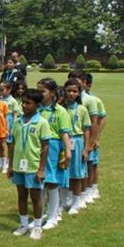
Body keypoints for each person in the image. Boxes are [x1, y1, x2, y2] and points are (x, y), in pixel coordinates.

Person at [7, 88, 50, 240]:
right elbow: (12, 143)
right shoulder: (17, 121)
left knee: (36, 197)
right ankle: (24, 224)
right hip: (18, 166)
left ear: (37, 105)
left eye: (28, 103)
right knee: (21, 196)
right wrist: (10, 165)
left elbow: (45, 147)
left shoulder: (42, 122)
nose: (24, 105)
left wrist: (41, 169)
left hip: (33, 165)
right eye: (23, 102)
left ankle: (37, 227)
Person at [36, 78, 72, 231]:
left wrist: (68, 152)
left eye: (43, 91)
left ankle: (53, 216)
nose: (40, 94)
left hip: (52, 148)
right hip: (37, 147)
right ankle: (40, 215)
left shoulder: (60, 111)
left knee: (52, 182)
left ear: (52, 93)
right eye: (38, 91)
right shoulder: (37, 108)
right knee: (39, 182)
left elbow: (64, 134)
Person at [63, 79, 92, 215]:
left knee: (77, 173)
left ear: (79, 93)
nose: (71, 94)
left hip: (77, 141)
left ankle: (76, 201)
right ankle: (65, 200)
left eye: (75, 91)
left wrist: (86, 148)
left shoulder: (82, 109)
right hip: (64, 141)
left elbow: (86, 130)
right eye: (69, 91)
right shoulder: (61, 108)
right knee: (65, 172)